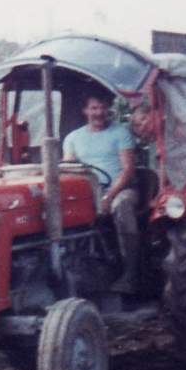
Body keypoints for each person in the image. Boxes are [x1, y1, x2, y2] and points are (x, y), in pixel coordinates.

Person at [62, 94, 140, 291]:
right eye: (94, 108)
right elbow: (69, 169)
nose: (99, 113)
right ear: (85, 111)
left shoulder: (120, 133)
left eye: (103, 108)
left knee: (121, 206)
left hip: (120, 188)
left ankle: (132, 272)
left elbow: (128, 170)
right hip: (89, 190)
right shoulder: (73, 138)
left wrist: (108, 196)